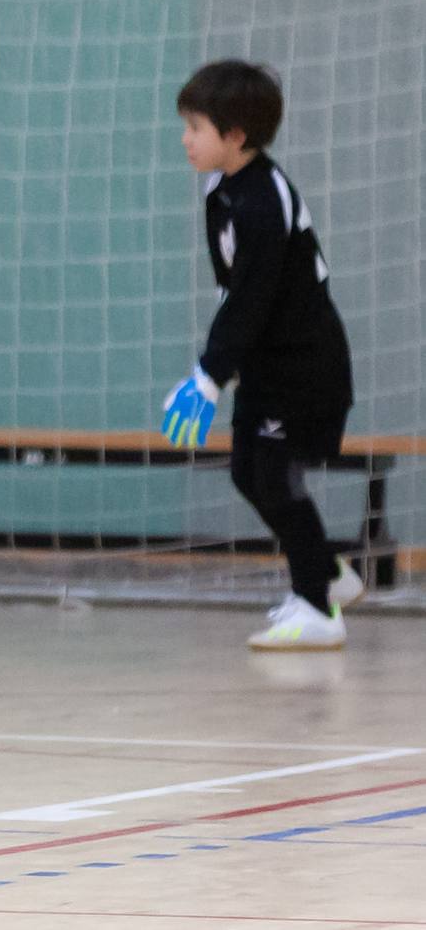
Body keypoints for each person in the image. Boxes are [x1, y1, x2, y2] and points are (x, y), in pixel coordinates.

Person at [159, 59, 360, 650]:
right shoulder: (223, 188)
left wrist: (209, 375)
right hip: (267, 365)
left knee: (275, 476)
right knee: (248, 471)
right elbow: (237, 294)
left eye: (195, 127)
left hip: (304, 367)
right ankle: (326, 573)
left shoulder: (261, 204)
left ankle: (319, 608)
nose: (185, 138)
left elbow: (253, 298)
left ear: (236, 136)